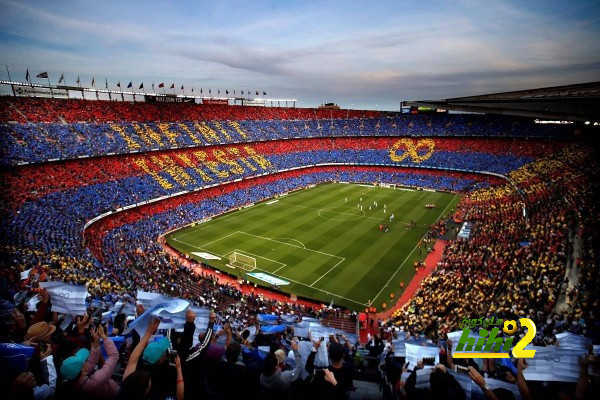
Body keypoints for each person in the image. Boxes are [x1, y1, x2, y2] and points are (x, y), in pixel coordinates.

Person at [60, 325, 120, 399]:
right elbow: (114, 356)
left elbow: (92, 361)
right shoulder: (97, 379)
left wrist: (96, 341)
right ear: (82, 369)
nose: (86, 361)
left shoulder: (77, 380)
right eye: (83, 361)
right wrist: (104, 336)